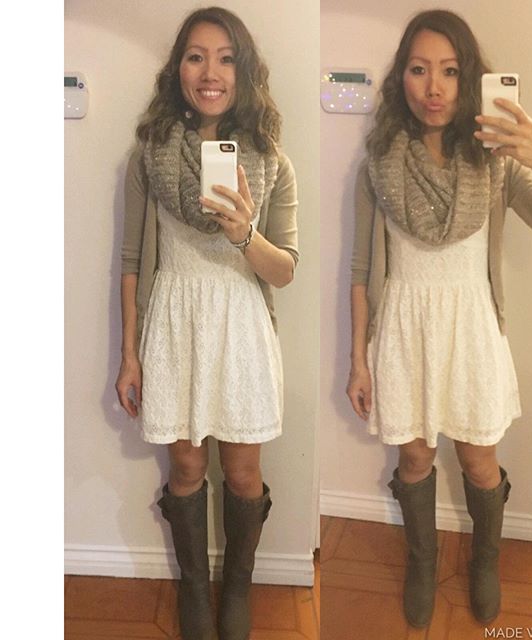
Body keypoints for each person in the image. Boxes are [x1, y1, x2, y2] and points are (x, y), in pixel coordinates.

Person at [346, 9, 532, 629]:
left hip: (472, 330)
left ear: (469, 78)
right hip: (403, 333)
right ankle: (423, 562)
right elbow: (362, 270)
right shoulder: (379, 164)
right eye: (419, 70)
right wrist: (357, 359)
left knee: (478, 461)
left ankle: (485, 560)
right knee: (415, 462)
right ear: (401, 78)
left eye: (449, 71)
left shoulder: (496, 161)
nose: (434, 87)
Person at [115, 7, 298, 640]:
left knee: (243, 474)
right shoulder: (149, 154)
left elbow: (284, 270)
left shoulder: (271, 161)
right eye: (196, 57)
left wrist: (244, 233)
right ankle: (195, 588)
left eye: (225, 59)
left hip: (241, 327)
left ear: (244, 72)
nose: (210, 72)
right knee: (188, 470)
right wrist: (129, 354)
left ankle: (237, 588)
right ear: (178, 70)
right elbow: (132, 261)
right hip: (174, 326)